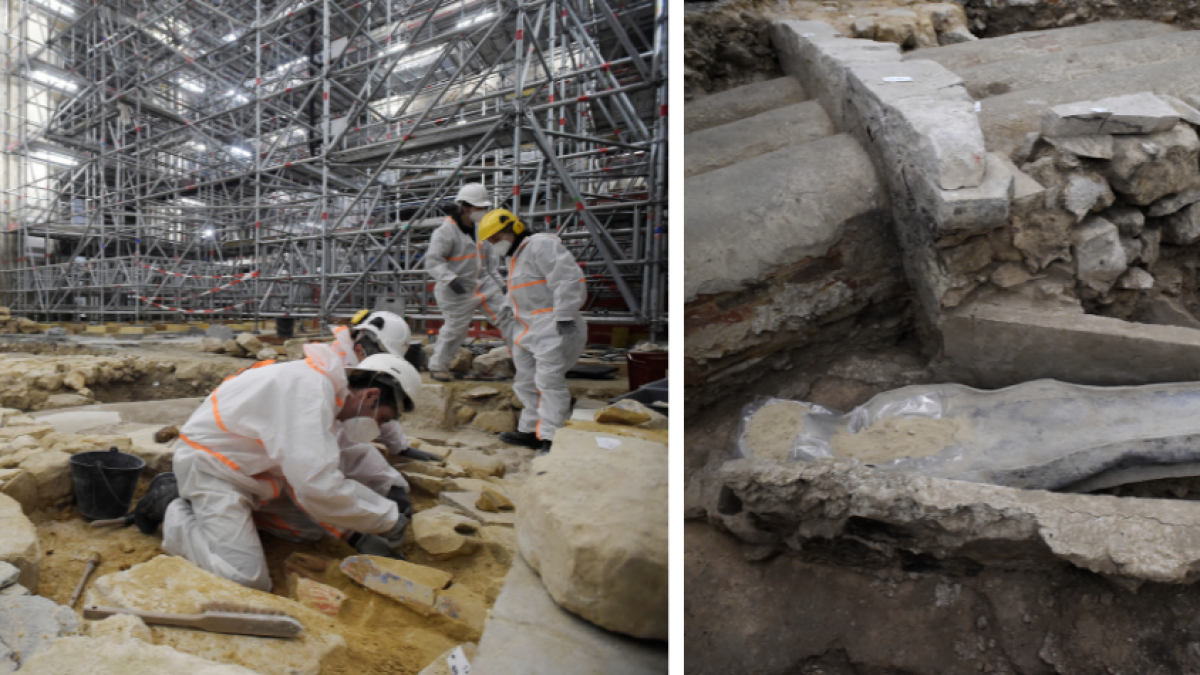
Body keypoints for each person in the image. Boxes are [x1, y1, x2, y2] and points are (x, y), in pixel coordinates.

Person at [138, 348, 422, 591]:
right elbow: (316, 485)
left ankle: (231, 523)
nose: (380, 429)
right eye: (383, 419)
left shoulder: (326, 391)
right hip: (213, 471)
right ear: (371, 396)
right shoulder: (309, 394)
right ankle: (171, 506)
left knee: (308, 529)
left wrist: (388, 489)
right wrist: (387, 520)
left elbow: (342, 452)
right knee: (246, 578)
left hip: (253, 474)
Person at [477, 209, 587, 452]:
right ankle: (530, 431)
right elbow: (520, 290)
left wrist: (566, 314)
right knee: (526, 382)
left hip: (551, 324)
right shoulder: (515, 257)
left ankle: (550, 435)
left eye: (497, 238)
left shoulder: (540, 245)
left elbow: (567, 279)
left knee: (549, 382)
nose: (495, 244)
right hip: (526, 328)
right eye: (491, 241)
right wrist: (506, 307)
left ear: (514, 228)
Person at [424, 183, 514, 381]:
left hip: (483, 283)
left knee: (508, 316)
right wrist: (449, 279)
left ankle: (525, 362)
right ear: (464, 207)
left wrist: (500, 284)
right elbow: (433, 261)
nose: (482, 212)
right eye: (479, 208)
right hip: (456, 289)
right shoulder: (445, 232)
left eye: (484, 208)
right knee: (456, 329)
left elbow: (490, 264)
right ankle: (438, 366)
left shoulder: (482, 229)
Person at [327, 309, 437, 461]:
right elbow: (344, 442)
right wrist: (384, 476)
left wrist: (399, 446)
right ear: (360, 349)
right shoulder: (334, 371)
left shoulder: (355, 363)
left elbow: (377, 410)